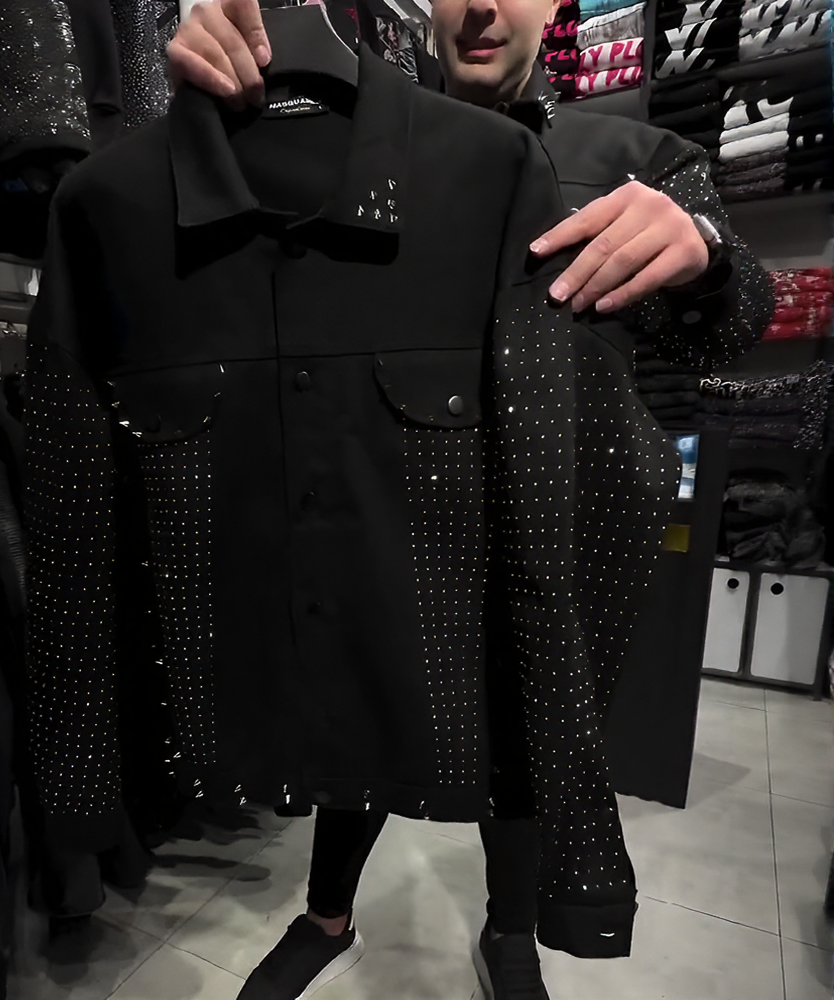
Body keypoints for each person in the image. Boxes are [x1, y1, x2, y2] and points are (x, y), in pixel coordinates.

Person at [165, 2, 775, 998]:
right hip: (392, 511)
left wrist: (702, 246)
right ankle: (327, 914)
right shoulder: (349, 142)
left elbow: (730, 327)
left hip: (551, 528)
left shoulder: (638, 158)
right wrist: (216, 87)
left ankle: (509, 930)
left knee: (527, 729)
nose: (482, 5)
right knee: (364, 701)